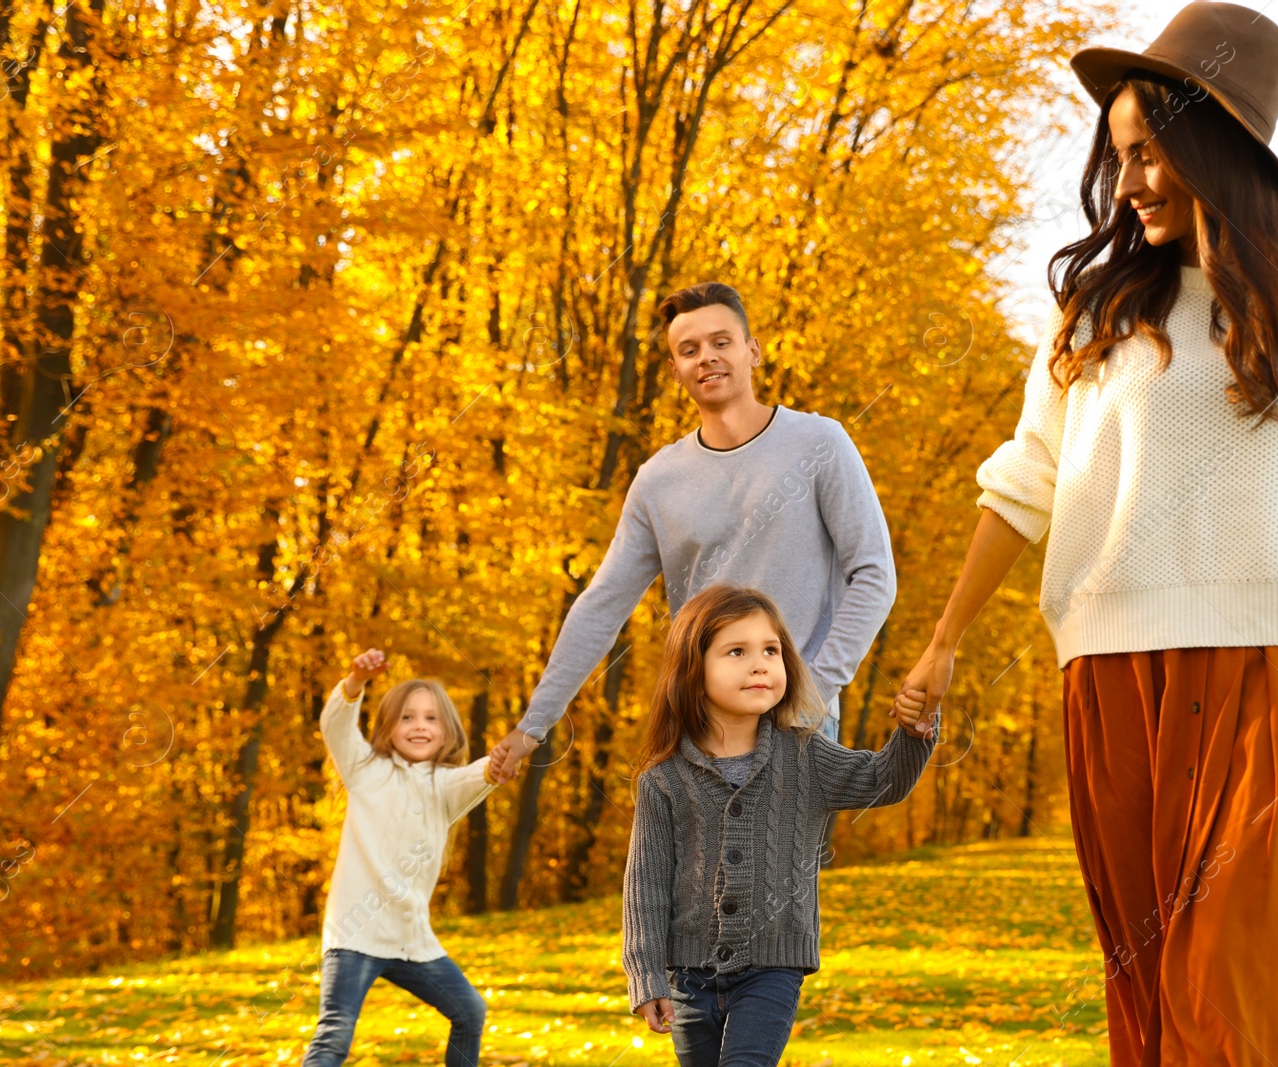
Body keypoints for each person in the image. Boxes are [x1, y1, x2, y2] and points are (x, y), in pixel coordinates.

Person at [892, 4, 1278, 1064]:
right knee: (1153, 988)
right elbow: (1024, 480)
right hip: (1111, 676)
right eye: (1119, 156)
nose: (1129, 179)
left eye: (1148, 151)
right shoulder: (1092, 316)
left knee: (1230, 980)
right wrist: (943, 637)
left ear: (1212, 146)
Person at [487, 282, 896, 783]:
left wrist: (811, 693)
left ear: (753, 351)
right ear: (677, 370)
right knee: (668, 864)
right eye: (689, 349)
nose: (707, 357)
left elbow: (874, 574)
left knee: (779, 865)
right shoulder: (658, 480)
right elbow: (603, 604)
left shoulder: (819, 443)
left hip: (796, 729)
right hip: (697, 725)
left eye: (721, 342)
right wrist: (534, 724)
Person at [622, 583, 934, 1066]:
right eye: (737, 651)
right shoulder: (663, 780)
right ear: (693, 669)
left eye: (771, 650)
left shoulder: (805, 755)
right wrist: (646, 976)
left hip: (773, 967)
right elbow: (646, 887)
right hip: (689, 976)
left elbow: (881, 780)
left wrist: (915, 730)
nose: (760, 663)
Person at [302, 648, 504, 1067]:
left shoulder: (444, 787)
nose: (419, 727)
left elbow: (481, 773)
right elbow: (335, 724)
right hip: (355, 936)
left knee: (470, 1011)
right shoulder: (363, 768)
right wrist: (356, 679)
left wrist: (507, 759)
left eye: (431, 718)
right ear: (388, 727)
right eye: (407, 717)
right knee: (335, 1035)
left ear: (447, 731)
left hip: (412, 940)